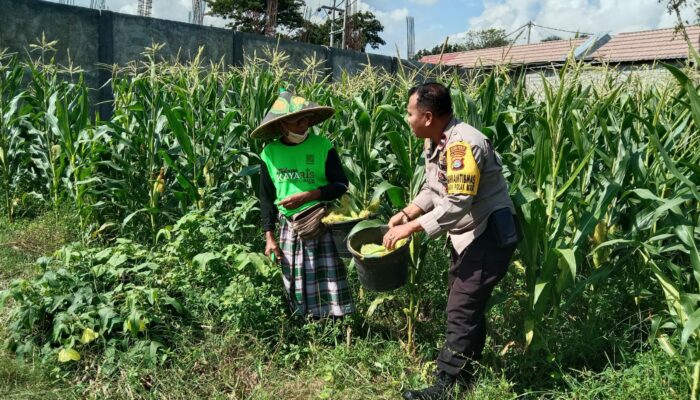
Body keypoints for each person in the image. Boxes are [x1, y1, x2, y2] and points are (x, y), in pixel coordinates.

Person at [382, 82, 520, 400]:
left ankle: (446, 385)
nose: (407, 119)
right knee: (466, 305)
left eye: (410, 113)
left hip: (488, 233)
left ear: (427, 116)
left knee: (461, 307)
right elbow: (434, 188)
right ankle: (466, 376)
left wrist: (412, 228)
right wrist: (408, 211)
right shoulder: (436, 140)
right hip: (471, 234)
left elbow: (458, 204)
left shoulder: (462, 147)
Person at [251, 87, 355, 319]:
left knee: (327, 278)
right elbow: (266, 197)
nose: (304, 125)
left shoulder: (322, 146)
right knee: (295, 276)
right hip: (289, 226)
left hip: (320, 220)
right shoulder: (270, 153)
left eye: (306, 120)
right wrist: (269, 237)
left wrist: (310, 195)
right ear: (282, 125)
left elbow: (341, 185)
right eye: (298, 121)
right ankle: (302, 323)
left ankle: (334, 321)